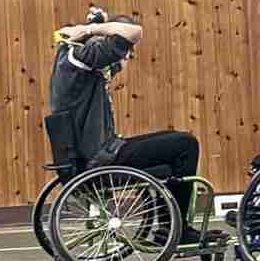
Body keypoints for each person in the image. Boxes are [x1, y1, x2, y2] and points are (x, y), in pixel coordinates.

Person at [47, 12, 204, 221]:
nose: (127, 55)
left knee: (172, 144)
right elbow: (134, 33)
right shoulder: (81, 59)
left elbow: (116, 63)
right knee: (186, 144)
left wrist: (96, 23)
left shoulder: (71, 63)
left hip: (94, 156)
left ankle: (169, 227)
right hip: (101, 159)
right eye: (127, 50)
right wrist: (91, 29)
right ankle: (178, 229)